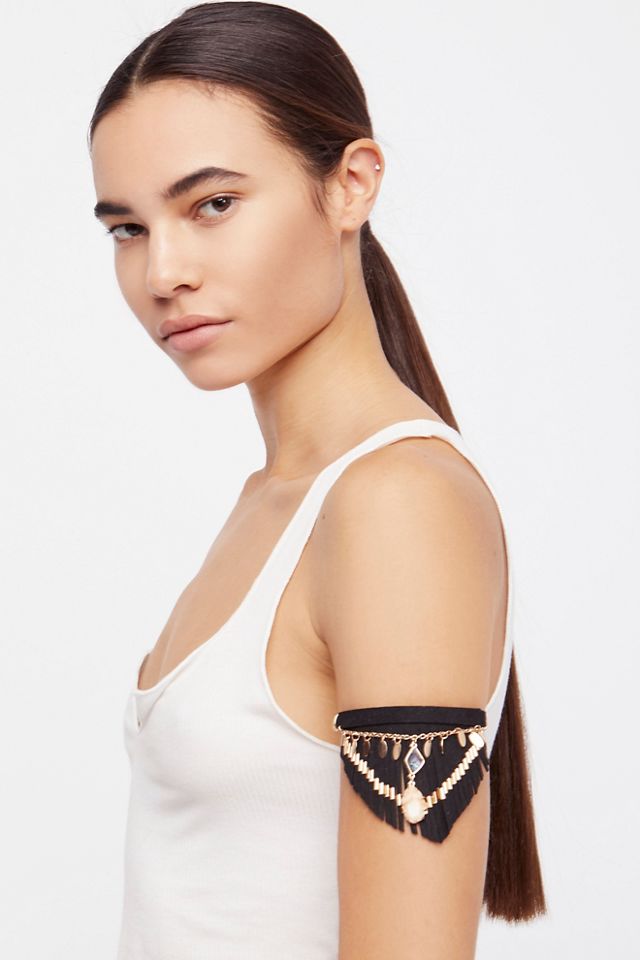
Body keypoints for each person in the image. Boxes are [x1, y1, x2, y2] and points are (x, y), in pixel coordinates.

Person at [88, 3, 546, 957]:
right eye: (128, 227)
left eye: (213, 204)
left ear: (351, 184)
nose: (163, 271)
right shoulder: (280, 500)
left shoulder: (397, 505)